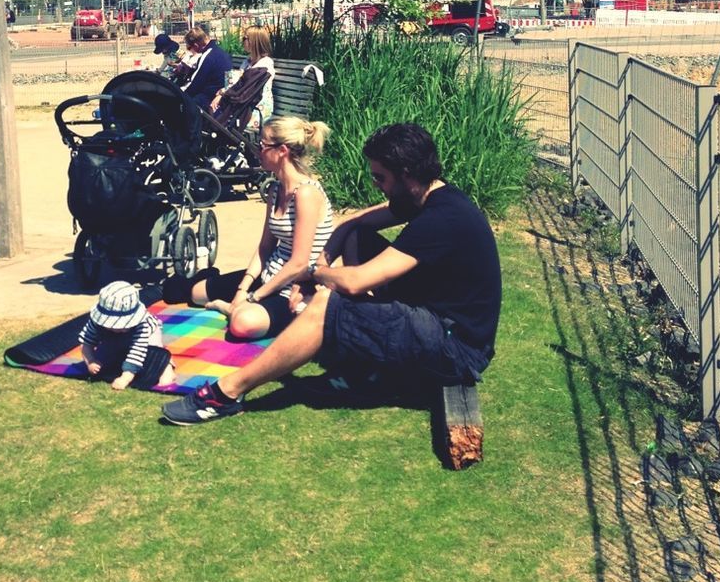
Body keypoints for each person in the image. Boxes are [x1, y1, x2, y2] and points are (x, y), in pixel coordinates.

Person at [160, 122, 501, 425]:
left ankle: (226, 394)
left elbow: (356, 280)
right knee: (357, 239)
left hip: (455, 347)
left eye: (380, 177)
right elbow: (351, 225)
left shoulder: (443, 218)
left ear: (407, 173)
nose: (376, 185)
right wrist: (313, 274)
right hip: (432, 317)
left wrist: (315, 272)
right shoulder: (427, 196)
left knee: (326, 306)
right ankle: (361, 366)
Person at [165, 116, 333, 341]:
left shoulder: (306, 194)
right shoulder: (275, 190)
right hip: (268, 276)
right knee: (194, 293)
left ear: (282, 151)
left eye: (262, 145)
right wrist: (243, 288)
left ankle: (230, 309)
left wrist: (253, 297)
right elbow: (265, 247)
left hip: (295, 286)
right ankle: (229, 299)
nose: (258, 150)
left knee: (243, 324)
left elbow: (299, 263)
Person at [79, 280, 175, 391]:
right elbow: (86, 343)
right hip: (117, 339)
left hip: (151, 331)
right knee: (113, 354)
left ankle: (167, 367)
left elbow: (137, 351)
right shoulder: (96, 322)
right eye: (112, 325)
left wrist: (125, 378)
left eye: (123, 325)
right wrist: (90, 361)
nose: (119, 328)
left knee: (153, 353)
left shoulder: (142, 325)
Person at [210, 25, 275, 123]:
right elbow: (238, 84)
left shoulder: (265, 64)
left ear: (254, 42)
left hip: (254, 108)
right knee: (211, 110)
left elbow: (246, 87)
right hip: (242, 103)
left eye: (245, 38)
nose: (242, 41)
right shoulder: (247, 62)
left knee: (215, 114)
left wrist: (222, 94)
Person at [180, 26, 232, 110]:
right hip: (220, 90)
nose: (190, 50)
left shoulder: (207, 56)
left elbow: (196, 82)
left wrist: (181, 94)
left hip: (212, 95)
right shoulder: (217, 51)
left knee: (184, 103)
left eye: (190, 47)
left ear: (196, 45)